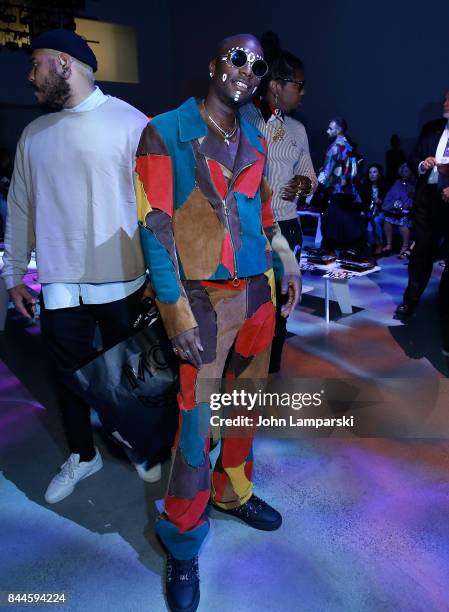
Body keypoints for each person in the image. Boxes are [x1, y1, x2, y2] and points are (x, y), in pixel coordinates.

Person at [135, 33, 301, 612]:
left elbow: (263, 212)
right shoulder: (165, 131)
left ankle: (233, 492)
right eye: (237, 59)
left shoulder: (254, 135)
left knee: (246, 406)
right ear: (214, 64)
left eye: (256, 66)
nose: (246, 72)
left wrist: (284, 258)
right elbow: (153, 226)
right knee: (194, 422)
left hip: (256, 294)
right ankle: (182, 539)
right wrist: (174, 309)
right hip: (202, 302)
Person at [2, 29, 158, 504]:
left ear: (65, 64)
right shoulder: (33, 135)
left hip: (124, 281)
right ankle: (82, 453)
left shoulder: (133, 124)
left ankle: (138, 443)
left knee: (130, 375)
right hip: (59, 285)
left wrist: (163, 278)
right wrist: (12, 275)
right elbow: (21, 208)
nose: (29, 76)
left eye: (36, 64)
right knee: (67, 377)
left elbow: (156, 210)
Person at [240, 31, 317, 373]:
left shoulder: (298, 130)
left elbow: (310, 177)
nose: (302, 92)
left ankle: (271, 368)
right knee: (252, 300)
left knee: (284, 298)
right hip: (250, 226)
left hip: (287, 227)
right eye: (297, 85)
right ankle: (244, 365)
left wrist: (303, 183)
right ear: (275, 85)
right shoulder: (243, 120)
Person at [395, 90, 449, 319]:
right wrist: (422, 165)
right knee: (422, 251)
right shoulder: (431, 128)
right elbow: (413, 157)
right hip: (428, 198)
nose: (444, 103)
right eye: (445, 98)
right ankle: (411, 300)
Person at [318, 117, 364, 253]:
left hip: (335, 191)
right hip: (349, 192)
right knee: (345, 225)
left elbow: (327, 172)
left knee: (329, 224)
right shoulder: (350, 147)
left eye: (330, 128)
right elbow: (355, 172)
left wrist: (316, 187)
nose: (327, 131)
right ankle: (344, 252)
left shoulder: (334, 148)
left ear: (339, 130)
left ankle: (328, 252)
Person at [382, 162, 415, 258]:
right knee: (387, 220)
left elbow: (413, 198)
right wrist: (394, 203)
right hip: (395, 210)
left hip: (408, 212)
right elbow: (390, 196)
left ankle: (405, 246)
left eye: (407, 171)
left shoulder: (413, 184)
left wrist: (407, 205)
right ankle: (389, 245)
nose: (405, 173)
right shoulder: (397, 183)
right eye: (403, 171)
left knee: (403, 221)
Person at [359, 164, 387, 255]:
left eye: (374, 172)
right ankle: (367, 244)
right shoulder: (365, 186)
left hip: (381, 211)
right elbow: (363, 202)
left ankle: (379, 244)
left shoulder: (384, 186)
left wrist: (381, 201)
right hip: (369, 211)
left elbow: (388, 201)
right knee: (364, 220)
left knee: (376, 220)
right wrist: (363, 211)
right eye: (370, 172)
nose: (372, 174)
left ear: (379, 174)